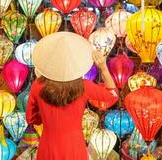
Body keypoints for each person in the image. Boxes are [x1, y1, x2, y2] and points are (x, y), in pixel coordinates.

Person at [26, 32, 118, 160]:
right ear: (75, 61)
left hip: (48, 147)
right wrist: (103, 68)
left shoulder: (38, 85)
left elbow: (31, 119)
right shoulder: (83, 86)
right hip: (75, 148)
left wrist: (46, 116)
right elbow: (113, 95)